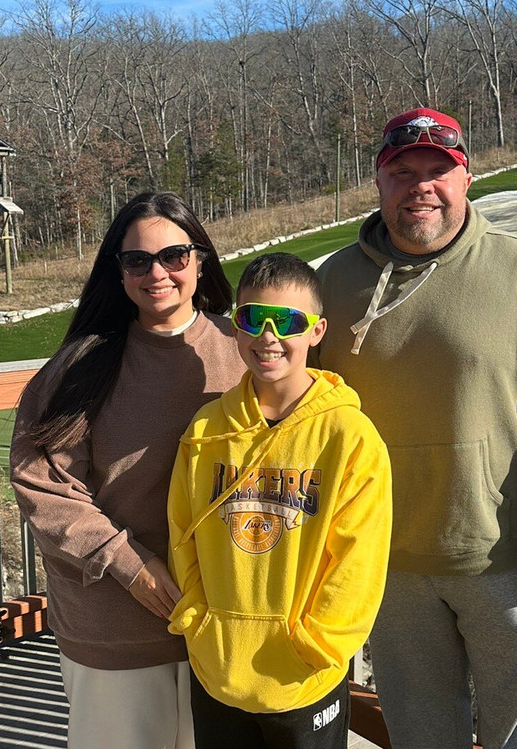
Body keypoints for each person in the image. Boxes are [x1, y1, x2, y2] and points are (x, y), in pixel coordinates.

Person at [314, 108, 517, 749]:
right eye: (403, 172)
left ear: (466, 179)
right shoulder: (331, 283)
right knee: (420, 730)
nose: (421, 185)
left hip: (505, 556)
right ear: (378, 182)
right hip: (381, 559)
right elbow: (293, 403)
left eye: (437, 172)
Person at [10, 191, 246, 749]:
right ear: (117, 273)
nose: (156, 272)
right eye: (137, 260)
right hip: (112, 627)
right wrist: (127, 563)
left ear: (201, 260)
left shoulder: (246, 352)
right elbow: (41, 482)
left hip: (226, 621)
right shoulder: (80, 367)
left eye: (174, 256)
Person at [167, 252, 392, 749]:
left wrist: (318, 644)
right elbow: (183, 535)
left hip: (303, 678)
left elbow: (360, 559)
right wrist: (197, 621)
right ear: (236, 329)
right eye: (252, 318)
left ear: (316, 331)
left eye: (287, 320)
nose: (269, 336)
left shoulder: (348, 436)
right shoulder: (207, 430)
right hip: (218, 671)